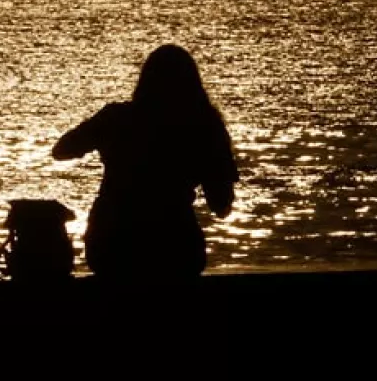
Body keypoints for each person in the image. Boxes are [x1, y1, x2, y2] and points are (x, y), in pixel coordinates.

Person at [52, 45, 238, 280]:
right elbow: (221, 205)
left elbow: (61, 151)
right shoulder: (204, 125)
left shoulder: (115, 117)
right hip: (175, 249)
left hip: (110, 245)